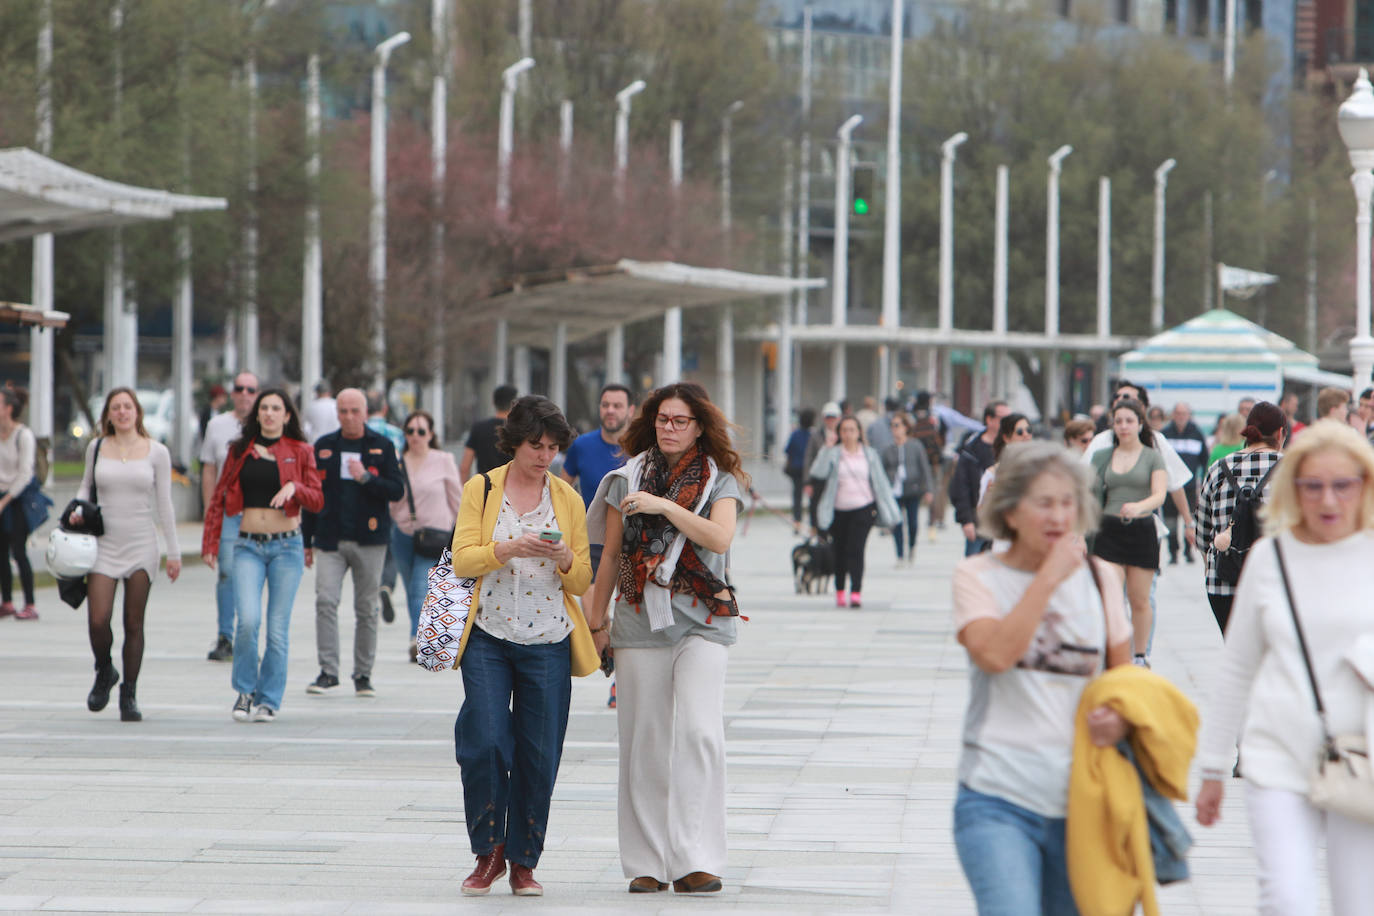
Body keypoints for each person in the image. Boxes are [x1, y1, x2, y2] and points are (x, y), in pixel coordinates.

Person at [1195, 420, 1374, 916]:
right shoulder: (1271, 557)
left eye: (1343, 484)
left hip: (1362, 757)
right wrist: (1212, 767)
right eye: (1312, 485)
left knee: (1358, 904)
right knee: (1286, 899)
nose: (1328, 500)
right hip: (1277, 754)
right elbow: (1237, 665)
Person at [951, 441, 1132, 915]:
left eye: (1067, 502)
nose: (1058, 515)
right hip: (996, 797)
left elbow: (1124, 682)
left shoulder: (1101, 578)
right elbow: (993, 655)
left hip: (1083, 803)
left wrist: (1119, 719)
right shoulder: (977, 576)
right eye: (1043, 503)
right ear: (1010, 511)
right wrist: (1047, 579)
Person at [585, 382, 746, 895]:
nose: (669, 428)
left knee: (700, 732)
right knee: (643, 741)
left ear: (699, 426)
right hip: (637, 618)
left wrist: (662, 506)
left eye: (680, 421)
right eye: (662, 420)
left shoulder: (720, 481)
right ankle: (647, 862)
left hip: (703, 618)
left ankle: (696, 857)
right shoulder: (624, 479)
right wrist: (595, 623)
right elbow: (609, 557)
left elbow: (718, 538)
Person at [450, 395, 596, 897]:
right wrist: (507, 548)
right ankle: (486, 852)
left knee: (539, 754)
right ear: (515, 441)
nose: (545, 455)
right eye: (536, 445)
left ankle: (524, 861)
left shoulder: (569, 499)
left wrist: (562, 557)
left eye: (554, 447)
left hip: (549, 640)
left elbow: (581, 579)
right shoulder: (483, 488)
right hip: (489, 635)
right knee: (486, 740)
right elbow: (463, 560)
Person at [202, 389, 322, 722]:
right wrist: (210, 542)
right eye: (264, 408)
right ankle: (244, 691)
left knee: (277, 629)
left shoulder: (301, 451)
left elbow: (317, 499)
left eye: (276, 408)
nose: (269, 413)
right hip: (247, 546)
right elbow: (218, 499)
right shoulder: (239, 451)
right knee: (248, 622)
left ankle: (268, 699)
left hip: (287, 547)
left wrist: (295, 488)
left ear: (287, 415)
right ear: (257, 414)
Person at [75, 388, 181, 722]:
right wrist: (77, 510)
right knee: (98, 619)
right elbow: (85, 487)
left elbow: (164, 503)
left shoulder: (156, 452)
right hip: (104, 543)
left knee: (133, 622)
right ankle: (105, 670)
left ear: (137, 413)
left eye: (127, 407)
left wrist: (174, 552)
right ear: (107, 414)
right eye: (115, 408)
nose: (122, 412)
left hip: (141, 544)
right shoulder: (96, 448)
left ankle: (129, 693)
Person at [302, 388, 405, 698]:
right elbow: (311, 497)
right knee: (325, 601)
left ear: (365, 412)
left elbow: (396, 490)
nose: (348, 416)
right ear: (336, 413)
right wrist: (307, 541)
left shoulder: (382, 446)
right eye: (343, 411)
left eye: (354, 411)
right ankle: (328, 672)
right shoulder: (323, 447)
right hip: (330, 539)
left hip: (369, 539)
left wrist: (366, 478)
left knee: (366, 609)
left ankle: (362, 674)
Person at [560, 382, 634, 708]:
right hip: (592, 542)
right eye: (606, 404)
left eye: (617, 405)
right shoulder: (582, 446)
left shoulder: (640, 448)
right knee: (596, 613)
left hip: (633, 543)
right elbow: (561, 488)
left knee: (629, 613)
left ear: (630, 411)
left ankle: (622, 681)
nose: (610, 411)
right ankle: (609, 653)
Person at [1089, 398, 1168, 667]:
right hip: (1108, 529)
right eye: (1118, 421)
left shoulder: (1152, 456)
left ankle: (1139, 654)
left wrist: (1139, 507)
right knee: (1109, 595)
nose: (1123, 426)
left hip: (1141, 530)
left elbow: (1159, 494)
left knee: (1139, 598)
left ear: (1140, 424)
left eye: (1129, 421)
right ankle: (1111, 650)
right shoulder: (1102, 457)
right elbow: (1089, 496)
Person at [1197, 401, 1286, 633]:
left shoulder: (1218, 468)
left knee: (1235, 653)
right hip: (1274, 582)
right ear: (1281, 433)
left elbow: (1202, 534)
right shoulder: (1291, 470)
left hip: (1224, 582)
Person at [389, 410, 461, 662]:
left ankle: (416, 639)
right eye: (410, 431)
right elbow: (391, 497)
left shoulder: (443, 459)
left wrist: (460, 530)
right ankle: (418, 634)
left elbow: (456, 498)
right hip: (403, 534)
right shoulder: (397, 462)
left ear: (430, 434)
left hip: (434, 535)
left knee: (421, 586)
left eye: (421, 431)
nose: (416, 436)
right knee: (410, 588)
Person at [809, 415, 901, 608]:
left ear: (859, 433)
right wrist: (826, 449)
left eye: (852, 430)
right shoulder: (834, 453)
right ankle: (840, 590)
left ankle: (856, 591)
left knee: (856, 550)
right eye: (844, 430)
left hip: (864, 508)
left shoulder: (870, 454)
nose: (848, 434)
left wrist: (889, 507)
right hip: (838, 510)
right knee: (839, 550)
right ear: (839, 433)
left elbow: (881, 483)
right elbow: (818, 473)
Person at [199, 370, 259, 663]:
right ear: (232, 393)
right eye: (240, 388)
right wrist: (211, 509)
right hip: (229, 512)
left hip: (261, 514)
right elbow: (209, 468)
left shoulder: (267, 424)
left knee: (255, 577)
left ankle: (250, 637)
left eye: (251, 389)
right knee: (226, 573)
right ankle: (225, 636)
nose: (245, 394)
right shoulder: (217, 426)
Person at [950, 401, 1010, 556]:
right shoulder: (972, 449)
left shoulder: (1012, 448)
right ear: (989, 420)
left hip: (1006, 523)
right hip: (978, 522)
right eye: (1003, 418)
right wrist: (966, 520)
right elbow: (961, 487)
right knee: (974, 569)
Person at [366, 390, 405, 625]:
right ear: (385, 408)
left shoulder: (361, 434)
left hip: (367, 500)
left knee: (370, 552)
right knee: (390, 550)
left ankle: (371, 594)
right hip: (393, 499)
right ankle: (386, 585)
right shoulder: (397, 434)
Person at [0, 387, 38, 620]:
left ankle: (30, 604)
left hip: (18, 498)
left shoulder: (23, 435)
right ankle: (7, 602)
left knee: (19, 551)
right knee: (0, 553)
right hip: (1, 495)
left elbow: (26, 473)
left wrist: (5, 501)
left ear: (8, 409)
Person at [882, 412, 933, 565]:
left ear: (905, 427)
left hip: (913, 488)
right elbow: (882, 471)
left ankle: (911, 547)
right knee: (897, 523)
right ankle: (899, 554)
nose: (894, 429)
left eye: (897, 425)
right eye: (892, 426)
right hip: (894, 490)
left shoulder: (915, 445)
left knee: (913, 522)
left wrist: (929, 489)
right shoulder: (888, 449)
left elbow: (925, 467)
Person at [1161, 402, 1208, 565]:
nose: (1181, 417)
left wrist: (1201, 483)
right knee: (1170, 520)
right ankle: (1173, 552)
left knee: (1190, 521)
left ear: (1189, 415)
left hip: (1189, 486)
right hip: (1169, 487)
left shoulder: (1196, 433)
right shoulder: (1165, 433)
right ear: (1173, 415)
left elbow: (1204, 460)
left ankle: (1189, 551)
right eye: (1178, 413)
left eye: (1184, 413)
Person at [461, 384, 517, 482]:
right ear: (514, 404)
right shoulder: (520, 430)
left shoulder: (479, 428)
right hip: (512, 490)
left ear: (493, 402)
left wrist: (464, 492)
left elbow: (465, 467)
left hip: (484, 488)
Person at [802, 401, 842, 531]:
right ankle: (817, 533)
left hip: (838, 480)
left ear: (839, 418)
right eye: (828, 417)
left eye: (833, 417)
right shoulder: (816, 436)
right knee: (815, 508)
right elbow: (809, 458)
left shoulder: (843, 435)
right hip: (818, 480)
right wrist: (807, 482)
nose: (831, 420)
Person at [977, 413, 1033, 505]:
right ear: (1006, 438)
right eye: (1019, 432)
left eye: (1029, 430)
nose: (1026, 434)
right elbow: (981, 513)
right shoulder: (992, 475)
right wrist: (988, 498)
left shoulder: (1040, 468)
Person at [911, 395, 947, 539]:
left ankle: (913, 523)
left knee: (915, 493)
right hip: (932, 461)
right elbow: (941, 435)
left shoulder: (913, 416)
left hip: (915, 461)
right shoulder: (933, 417)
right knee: (933, 492)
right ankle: (931, 524)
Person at [783, 407, 816, 530]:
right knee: (812, 497)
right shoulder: (813, 436)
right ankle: (813, 524)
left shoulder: (795, 434)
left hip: (796, 469)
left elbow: (787, 450)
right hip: (810, 471)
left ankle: (797, 522)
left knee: (797, 496)